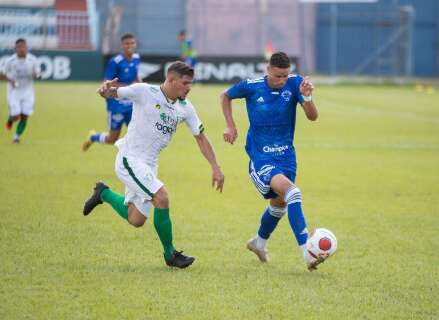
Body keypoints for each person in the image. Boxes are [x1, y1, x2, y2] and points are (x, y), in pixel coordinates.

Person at [83, 61, 224, 269]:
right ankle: (170, 254)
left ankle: (103, 193)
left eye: (190, 83)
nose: (189, 87)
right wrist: (105, 90)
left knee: (136, 219)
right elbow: (113, 93)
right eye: (185, 83)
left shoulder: (185, 107)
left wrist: (216, 166)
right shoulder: (144, 91)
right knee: (162, 197)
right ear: (171, 80)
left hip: (149, 164)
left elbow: (201, 138)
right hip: (130, 158)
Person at [220, 51, 323, 271]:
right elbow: (225, 95)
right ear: (268, 69)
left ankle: (258, 242)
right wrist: (230, 125)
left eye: (285, 76)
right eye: (277, 76)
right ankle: (307, 251)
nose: (282, 81)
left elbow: (313, 117)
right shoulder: (252, 85)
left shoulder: (296, 84)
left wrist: (307, 97)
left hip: (286, 156)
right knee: (293, 192)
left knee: (280, 204)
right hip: (261, 157)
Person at [82, 33, 140, 151]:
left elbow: (136, 76)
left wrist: (141, 86)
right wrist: (129, 86)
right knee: (112, 139)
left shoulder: (136, 58)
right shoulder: (115, 61)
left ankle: (133, 160)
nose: (130, 46)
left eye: (132, 43)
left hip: (131, 104)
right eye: (127, 43)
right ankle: (93, 137)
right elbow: (107, 83)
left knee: (137, 135)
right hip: (116, 105)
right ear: (122, 45)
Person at [0, 38, 40, 144]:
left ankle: (16, 137)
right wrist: (10, 80)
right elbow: (1, 74)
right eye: (19, 47)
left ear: (26, 47)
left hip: (28, 92)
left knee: (25, 116)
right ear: (16, 48)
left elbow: (39, 74)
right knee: (16, 116)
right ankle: (10, 119)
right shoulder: (10, 61)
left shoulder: (33, 60)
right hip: (14, 92)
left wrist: (35, 75)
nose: (22, 49)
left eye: (24, 46)